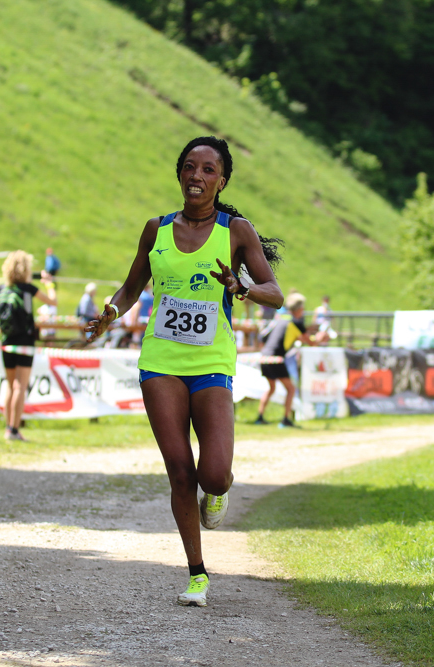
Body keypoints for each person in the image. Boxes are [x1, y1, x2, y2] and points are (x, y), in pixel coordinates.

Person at [85, 136, 284, 607]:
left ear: (222, 181)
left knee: (213, 475)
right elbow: (132, 286)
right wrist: (111, 312)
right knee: (179, 471)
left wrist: (241, 287)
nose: (197, 175)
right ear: (179, 174)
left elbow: (275, 293)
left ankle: (217, 493)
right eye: (190, 167)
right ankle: (197, 574)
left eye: (208, 169)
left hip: (212, 363)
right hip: (161, 362)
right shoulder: (155, 229)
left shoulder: (236, 231)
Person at [0, 250, 56, 441]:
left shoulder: (2, 289)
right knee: (20, 386)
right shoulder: (28, 289)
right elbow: (53, 302)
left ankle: (8, 428)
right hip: (24, 341)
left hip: (7, 341)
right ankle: (14, 429)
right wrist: (49, 283)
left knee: (10, 385)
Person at [255, 292, 314, 428]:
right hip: (276, 358)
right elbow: (310, 342)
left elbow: (266, 338)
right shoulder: (296, 323)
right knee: (291, 389)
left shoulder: (281, 320)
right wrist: (320, 338)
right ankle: (285, 420)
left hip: (264, 357)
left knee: (271, 388)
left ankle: (260, 417)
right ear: (300, 309)